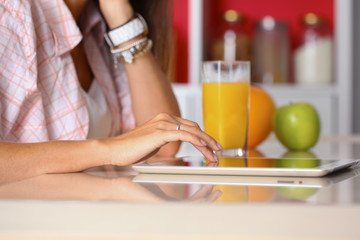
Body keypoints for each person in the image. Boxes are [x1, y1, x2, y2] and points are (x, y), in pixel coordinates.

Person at [0, 0, 221, 181]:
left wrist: (121, 16)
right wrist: (108, 151)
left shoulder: (97, 27)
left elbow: (165, 147)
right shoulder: (8, 14)